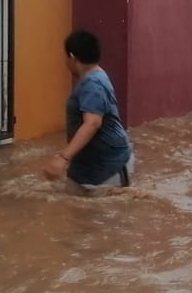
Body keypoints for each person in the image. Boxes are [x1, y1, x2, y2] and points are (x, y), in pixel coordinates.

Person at [44, 30, 134, 188]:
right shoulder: (97, 77)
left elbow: (92, 123)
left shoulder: (92, 84)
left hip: (108, 168)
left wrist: (63, 158)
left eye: (66, 58)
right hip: (99, 166)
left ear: (72, 57)